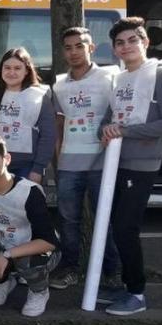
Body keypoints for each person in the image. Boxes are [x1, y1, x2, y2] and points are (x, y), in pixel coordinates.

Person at [97, 17, 162, 315]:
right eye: (120, 42)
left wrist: (125, 131)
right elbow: (107, 121)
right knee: (115, 226)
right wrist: (105, 130)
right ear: (114, 49)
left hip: (142, 166)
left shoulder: (161, 74)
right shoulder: (118, 79)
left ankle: (136, 294)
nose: (126, 46)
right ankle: (125, 285)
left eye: (133, 40)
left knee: (126, 228)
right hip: (115, 163)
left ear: (145, 42)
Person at [49, 26, 121, 290]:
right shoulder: (59, 84)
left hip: (104, 164)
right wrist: (57, 163)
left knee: (106, 219)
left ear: (91, 48)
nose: (74, 52)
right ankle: (70, 268)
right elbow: (58, 128)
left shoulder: (111, 77)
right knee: (68, 221)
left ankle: (113, 272)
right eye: (68, 47)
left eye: (80, 46)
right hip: (69, 164)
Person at [0, 136, 60, 317]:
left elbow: (49, 242)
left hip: (37, 246)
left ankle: (39, 291)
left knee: (27, 263)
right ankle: (4, 281)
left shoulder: (29, 192)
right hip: (3, 241)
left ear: (7, 159)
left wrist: (6, 255)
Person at [0, 47, 55, 183]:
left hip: (27, 167)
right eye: (7, 68)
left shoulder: (39, 96)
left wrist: (38, 169)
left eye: (17, 68)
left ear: (27, 71)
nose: (11, 72)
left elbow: (48, 136)